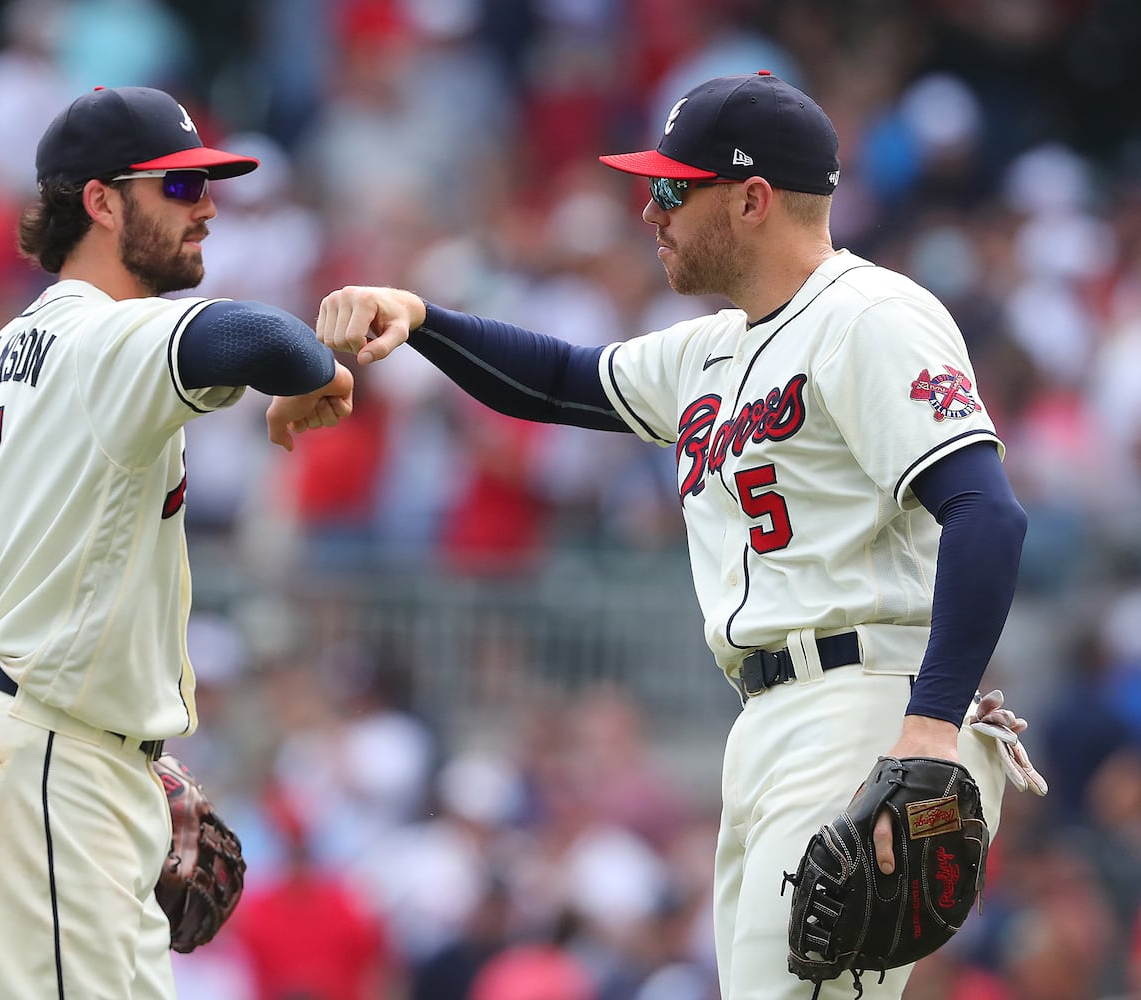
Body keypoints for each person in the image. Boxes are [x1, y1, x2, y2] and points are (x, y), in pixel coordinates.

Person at [314, 71, 1029, 999]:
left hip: (865, 703)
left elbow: (987, 513)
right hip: (771, 718)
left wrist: (928, 730)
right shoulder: (712, 348)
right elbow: (560, 380)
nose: (650, 212)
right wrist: (419, 319)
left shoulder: (871, 318)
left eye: (671, 190)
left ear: (752, 199)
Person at [0, 85, 353, 999]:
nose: (207, 207)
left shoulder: (15, 349)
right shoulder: (104, 334)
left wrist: (113, 739)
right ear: (101, 202)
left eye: (206, 186)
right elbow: (259, 335)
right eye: (179, 186)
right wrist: (317, 374)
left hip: (50, 747)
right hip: (47, 756)